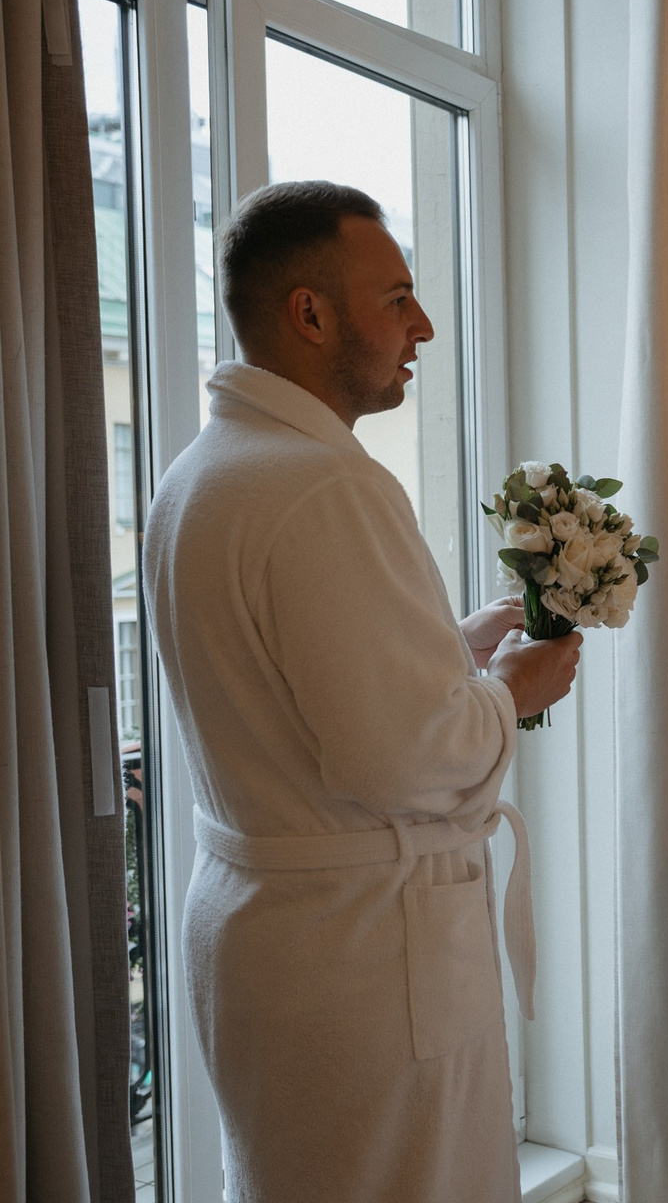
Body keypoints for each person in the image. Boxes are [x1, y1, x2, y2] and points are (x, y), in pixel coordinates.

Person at [143, 181, 581, 1203]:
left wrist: (447, 650)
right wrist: (509, 689)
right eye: (396, 298)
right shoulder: (325, 483)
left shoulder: (202, 474)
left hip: (266, 927)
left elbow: (285, 696)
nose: (421, 324)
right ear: (310, 313)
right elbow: (400, 758)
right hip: (368, 952)